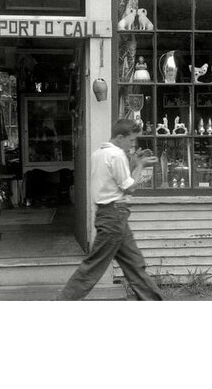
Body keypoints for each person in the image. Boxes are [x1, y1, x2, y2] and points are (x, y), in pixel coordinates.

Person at [57, 118, 163, 300]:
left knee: (135, 264)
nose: (133, 144)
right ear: (120, 137)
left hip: (111, 215)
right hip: (114, 217)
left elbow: (114, 179)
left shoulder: (99, 153)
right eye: (131, 140)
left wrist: (132, 161)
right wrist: (140, 165)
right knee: (93, 266)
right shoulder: (116, 155)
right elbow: (130, 187)